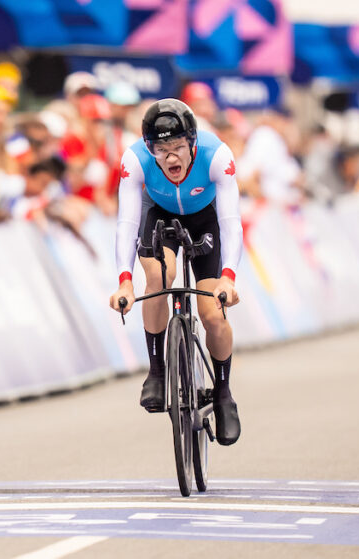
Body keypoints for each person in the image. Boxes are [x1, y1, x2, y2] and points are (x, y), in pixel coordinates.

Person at [110, 98, 243, 446]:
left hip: (206, 218)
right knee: (157, 281)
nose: (170, 157)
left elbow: (230, 223)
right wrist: (124, 281)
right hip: (160, 215)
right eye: (161, 148)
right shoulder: (135, 159)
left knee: (212, 313)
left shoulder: (218, 156)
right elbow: (127, 221)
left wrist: (228, 277)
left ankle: (224, 393)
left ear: (193, 142)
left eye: (178, 147)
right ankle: (156, 373)